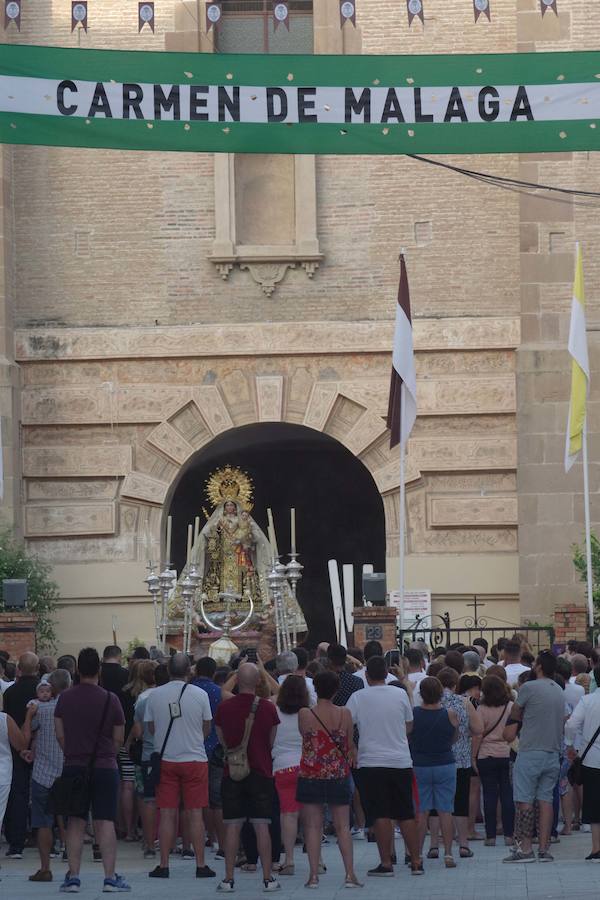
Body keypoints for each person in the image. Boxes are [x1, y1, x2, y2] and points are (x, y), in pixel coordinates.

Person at [54, 646, 129, 893]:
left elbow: (60, 735)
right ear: (98, 669)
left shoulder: (65, 698)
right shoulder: (111, 699)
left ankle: (73, 876)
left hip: (74, 765)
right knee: (105, 822)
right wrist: (107, 753)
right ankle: (109, 877)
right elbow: (119, 737)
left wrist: (74, 752)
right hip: (105, 766)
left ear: (76, 670)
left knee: (75, 822)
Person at [347, 656, 421, 876]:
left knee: (380, 814)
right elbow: (409, 725)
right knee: (406, 812)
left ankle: (386, 863)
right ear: (387, 675)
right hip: (400, 760)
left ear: (367, 676)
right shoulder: (400, 694)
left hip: (371, 761)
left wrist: (352, 746)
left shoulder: (358, 697)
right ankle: (416, 861)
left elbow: (345, 724)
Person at [144, 652, 214, 880]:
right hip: (194, 758)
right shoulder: (200, 694)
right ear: (189, 671)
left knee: (167, 813)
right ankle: (201, 864)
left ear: (167, 670)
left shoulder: (154, 696)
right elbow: (206, 728)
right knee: (195, 813)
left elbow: (152, 728)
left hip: (166, 759)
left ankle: (163, 864)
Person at [214, 662, 281, 893]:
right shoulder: (268, 708)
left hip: (232, 771)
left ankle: (229, 879)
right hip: (261, 771)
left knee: (233, 826)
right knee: (262, 825)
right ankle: (267, 878)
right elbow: (271, 741)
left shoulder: (224, 708)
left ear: (237, 680)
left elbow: (222, 741)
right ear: (259, 681)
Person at [297, 670, 361, 889]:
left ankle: (313, 876)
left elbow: (303, 736)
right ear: (336, 690)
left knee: (313, 827)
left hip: (311, 773)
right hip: (338, 773)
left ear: (315, 688)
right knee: (343, 826)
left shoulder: (305, 714)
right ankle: (350, 874)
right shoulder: (345, 713)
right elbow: (349, 744)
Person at [503, 650, 565, 863]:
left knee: (524, 800)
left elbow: (515, 712)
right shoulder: (558, 689)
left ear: (538, 666)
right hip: (553, 751)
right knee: (546, 800)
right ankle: (544, 848)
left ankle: (526, 848)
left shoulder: (528, 687)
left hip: (530, 751)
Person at [22, 668, 71, 883]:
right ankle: (73, 867)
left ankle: (45, 868)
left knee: (43, 821)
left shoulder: (39, 709)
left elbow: (26, 735)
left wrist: (28, 715)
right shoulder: (71, 708)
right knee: (71, 821)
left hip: (42, 771)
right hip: (67, 769)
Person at [410, 676, 459, 868]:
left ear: (421, 694)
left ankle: (418, 855)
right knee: (445, 809)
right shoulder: (450, 714)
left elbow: (409, 736)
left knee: (421, 811)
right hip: (444, 763)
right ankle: (448, 853)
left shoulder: (414, 714)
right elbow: (454, 738)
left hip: (420, 764)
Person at [435, 667, 483, 859]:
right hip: (461, 758)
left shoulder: (431, 702)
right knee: (460, 802)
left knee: (437, 803)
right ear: (455, 684)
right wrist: (465, 734)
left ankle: (435, 843)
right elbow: (478, 728)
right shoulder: (463, 702)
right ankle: (463, 843)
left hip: (437, 758)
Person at [272, 674, 309, 875]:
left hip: (282, 766)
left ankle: (289, 859)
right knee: (310, 816)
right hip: (305, 766)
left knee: (288, 813)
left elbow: (270, 741)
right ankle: (317, 860)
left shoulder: (275, 711)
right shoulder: (308, 713)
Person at [2, 650, 39, 858]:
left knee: (18, 794)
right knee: (44, 793)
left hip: (16, 749)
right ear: (37, 669)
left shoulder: (10, 693)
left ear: (19, 669)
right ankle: (47, 840)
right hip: (41, 747)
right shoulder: (43, 691)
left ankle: (16, 843)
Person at [474, 674, 514, 846]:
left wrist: (473, 756)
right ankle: (509, 835)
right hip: (506, 752)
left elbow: (477, 734)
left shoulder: (481, 709)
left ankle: (490, 836)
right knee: (507, 794)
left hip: (486, 754)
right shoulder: (510, 706)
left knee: (489, 795)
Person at [191, 656, 225, 855]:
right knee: (217, 799)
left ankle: (205, 838)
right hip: (215, 749)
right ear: (213, 673)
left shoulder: (188, 690)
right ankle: (220, 842)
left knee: (197, 800)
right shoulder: (218, 692)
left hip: (193, 749)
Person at [565, 670, 600, 859]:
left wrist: (570, 744)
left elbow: (571, 725)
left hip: (592, 757)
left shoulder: (587, 701)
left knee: (594, 802)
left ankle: (596, 847)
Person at [126, 660, 158, 859]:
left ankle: (149, 843)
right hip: (173, 752)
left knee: (148, 799)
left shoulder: (143, 699)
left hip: (148, 753)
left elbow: (137, 731)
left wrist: (130, 740)